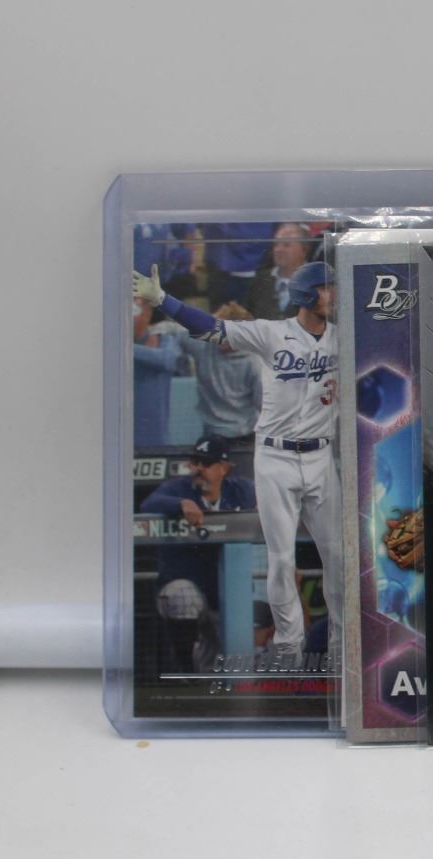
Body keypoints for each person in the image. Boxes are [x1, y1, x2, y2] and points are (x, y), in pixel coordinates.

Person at [133, 261, 343, 665]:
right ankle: (289, 648)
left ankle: (340, 644)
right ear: (305, 294)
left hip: (321, 454)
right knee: (281, 557)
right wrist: (162, 300)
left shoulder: (343, 338)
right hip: (276, 455)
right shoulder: (272, 333)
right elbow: (210, 327)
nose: (332, 295)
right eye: (325, 288)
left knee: (336, 555)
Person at [138, 437, 257, 671]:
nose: (199, 468)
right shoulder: (178, 489)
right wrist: (180, 504)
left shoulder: (240, 490)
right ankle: (183, 670)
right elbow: (149, 504)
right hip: (188, 591)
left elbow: (272, 499)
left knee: (228, 667)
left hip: (228, 596)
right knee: (181, 595)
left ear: (224, 468)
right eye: (195, 462)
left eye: (207, 463)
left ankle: (203, 676)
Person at [166, 301, 264, 445]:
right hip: (211, 434)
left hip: (245, 436)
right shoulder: (202, 346)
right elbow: (172, 330)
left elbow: (265, 406)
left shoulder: (255, 363)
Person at [132, 299, 183, 449]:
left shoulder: (164, 340)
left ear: (147, 314)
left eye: (133, 311)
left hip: (154, 437)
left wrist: (122, 348)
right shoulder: (108, 348)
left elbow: (166, 360)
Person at [245, 222, 316, 319]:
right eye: (276, 245)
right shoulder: (259, 281)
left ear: (304, 250)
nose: (278, 249)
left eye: (286, 245)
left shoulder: (319, 282)